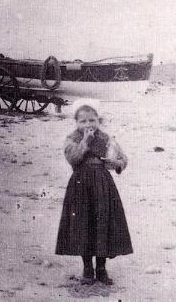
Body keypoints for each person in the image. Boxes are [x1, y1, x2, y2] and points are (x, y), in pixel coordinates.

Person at [55, 102, 132, 285]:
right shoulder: (72, 139)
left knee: (103, 224)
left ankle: (102, 268)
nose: (88, 124)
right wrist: (86, 142)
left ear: (98, 120)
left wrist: (117, 164)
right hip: (81, 186)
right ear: (76, 122)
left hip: (103, 185)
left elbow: (122, 158)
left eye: (92, 120)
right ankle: (87, 269)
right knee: (84, 224)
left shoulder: (106, 138)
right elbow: (73, 158)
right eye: (83, 121)